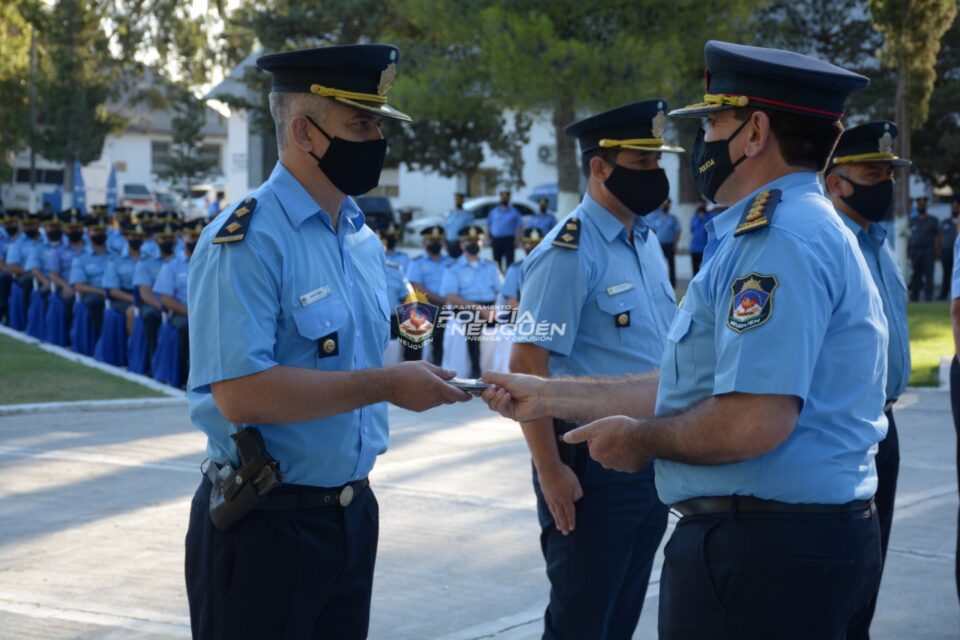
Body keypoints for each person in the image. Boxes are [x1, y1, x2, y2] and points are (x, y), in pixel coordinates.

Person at [480, 41, 885, 639]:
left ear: (755, 132)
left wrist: (639, 440)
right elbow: (691, 382)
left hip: (762, 551)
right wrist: (547, 398)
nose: (702, 145)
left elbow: (752, 420)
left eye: (714, 124)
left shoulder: (777, 240)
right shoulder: (789, 229)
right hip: (764, 535)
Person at [183, 43, 470, 640]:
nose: (377, 140)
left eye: (379, 125)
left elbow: (378, 339)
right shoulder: (247, 239)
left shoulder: (361, 239)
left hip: (350, 516)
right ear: (304, 133)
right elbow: (240, 393)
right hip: (265, 524)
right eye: (360, 124)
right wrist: (387, 385)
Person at [511, 99, 682, 639]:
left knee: (622, 614)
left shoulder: (646, 242)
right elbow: (527, 366)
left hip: (648, 452)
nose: (654, 174)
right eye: (641, 163)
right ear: (599, 167)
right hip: (588, 464)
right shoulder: (567, 252)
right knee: (582, 620)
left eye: (657, 162)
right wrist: (549, 469)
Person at [823, 120, 911, 639]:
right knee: (841, 577)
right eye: (872, 173)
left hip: (885, 424)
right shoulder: (829, 243)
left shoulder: (879, 241)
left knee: (871, 568)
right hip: (845, 427)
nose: (885, 183)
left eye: (889, 173)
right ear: (836, 182)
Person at [440, 225, 502, 378]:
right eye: (469, 241)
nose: (474, 244)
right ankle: (476, 369)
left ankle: (504, 369)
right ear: (462, 245)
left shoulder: (491, 266)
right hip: (465, 307)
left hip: (489, 307)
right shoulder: (453, 268)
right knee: (473, 321)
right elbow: (451, 296)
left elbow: (501, 290)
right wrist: (480, 309)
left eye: (477, 240)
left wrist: (496, 309)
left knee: (511, 321)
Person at [133, 220, 178, 368]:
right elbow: (145, 293)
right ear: (156, 240)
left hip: (179, 304)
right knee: (150, 317)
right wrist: (164, 308)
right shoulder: (146, 261)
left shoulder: (182, 260)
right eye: (163, 238)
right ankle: (152, 362)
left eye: (170, 238)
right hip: (154, 304)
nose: (167, 241)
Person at [405, 225, 452, 364]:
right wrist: (441, 300)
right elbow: (415, 286)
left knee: (443, 342)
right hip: (425, 305)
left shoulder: (450, 262)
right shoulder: (417, 262)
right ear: (424, 242)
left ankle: (440, 366)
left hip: (448, 306)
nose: (435, 243)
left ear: (443, 242)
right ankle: (414, 368)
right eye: (431, 240)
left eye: (438, 240)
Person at [69, 213, 112, 337]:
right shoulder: (80, 257)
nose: (99, 234)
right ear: (88, 233)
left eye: (102, 230)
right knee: (94, 302)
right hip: (93, 293)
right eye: (96, 231)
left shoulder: (115, 255)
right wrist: (101, 292)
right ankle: (101, 337)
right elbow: (78, 285)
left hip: (114, 291)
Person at [103, 221, 146, 335]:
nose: (137, 239)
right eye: (133, 236)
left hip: (146, 295)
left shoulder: (149, 259)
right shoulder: (115, 260)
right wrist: (134, 299)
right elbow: (112, 290)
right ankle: (133, 343)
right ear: (126, 237)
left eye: (139, 236)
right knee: (133, 312)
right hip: (123, 297)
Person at [500, 227, 544, 309]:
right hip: (523, 313)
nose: (534, 247)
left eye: (537, 244)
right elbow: (511, 301)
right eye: (530, 243)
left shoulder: (549, 267)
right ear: (523, 246)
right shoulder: (515, 269)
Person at [908, 196, 939, 301]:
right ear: (917, 207)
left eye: (923, 205)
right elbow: (909, 237)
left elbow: (937, 237)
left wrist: (937, 251)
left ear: (926, 206)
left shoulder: (933, 220)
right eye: (919, 206)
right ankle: (914, 297)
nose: (921, 207)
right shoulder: (912, 220)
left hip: (928, 250)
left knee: (929, 274)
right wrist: (908, 252)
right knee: (915, 275)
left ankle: (929, 297)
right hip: (915, 251)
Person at [488, 190, 522, 270]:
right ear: (500, 198)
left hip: (509, 240)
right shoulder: (494, 212)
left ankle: (509, 277)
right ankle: (498, 277)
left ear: (509, 199)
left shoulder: (514, 212)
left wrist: (518, 239)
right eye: (503, 198)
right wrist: (489, 239)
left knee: (510, 263)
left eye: (506, 198)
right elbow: (489, 226)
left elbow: (519, 227)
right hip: (496, 240)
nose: (504, 199)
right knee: (496, 263)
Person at [654, 198, 681, 287]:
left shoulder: (673, 219)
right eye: (663, 205)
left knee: (671, 265)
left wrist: (675, 244)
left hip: (670, 245)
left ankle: (672, 285)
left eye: (667, 205)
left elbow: (677, 232)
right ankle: (659, 283)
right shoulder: (656, 218)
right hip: (659, 245)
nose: (665, 206)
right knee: (658, 265)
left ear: (669, 206)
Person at [443, 192, 473, 259]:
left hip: (461, 243)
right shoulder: (450, 214)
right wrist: (444, 243)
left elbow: (469, 231)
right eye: (456, 200)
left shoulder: (467, 215)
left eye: (460, 200)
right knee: (450, 261)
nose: (458, 202)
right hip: (450, 243)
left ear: (462, 201)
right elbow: (446, 228)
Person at [689, 200, 712, 276]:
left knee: (705, 271)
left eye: (702, 205)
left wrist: (703, 219)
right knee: (695, 272)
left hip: (706, 249)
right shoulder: (694, 217)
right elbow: (692, 229)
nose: (700, 207)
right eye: (699, 205)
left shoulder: (710, 217)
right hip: (694, 248)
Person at [940, 201, 959, 300]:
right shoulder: (945, 222)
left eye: (957, 207)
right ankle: (944, 294)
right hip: (947, 251)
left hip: (958, 252)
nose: (955, 209)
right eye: (953, 207)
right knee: (946, 274)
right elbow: (941, 237)